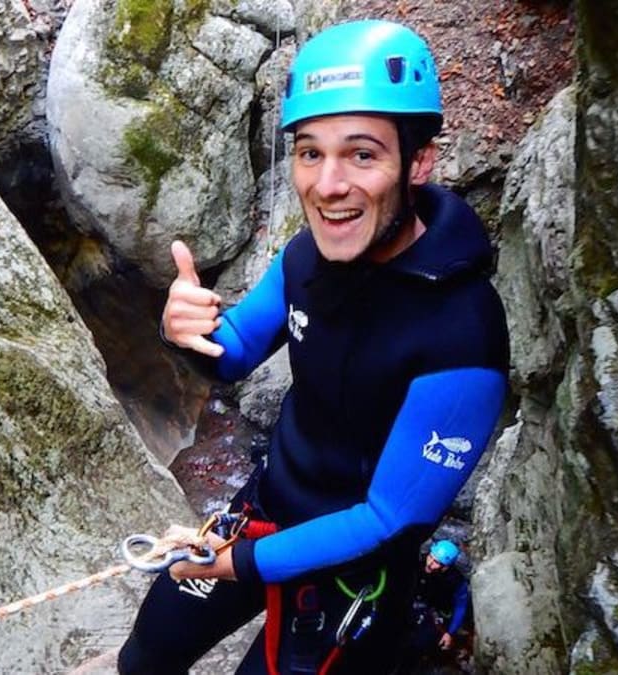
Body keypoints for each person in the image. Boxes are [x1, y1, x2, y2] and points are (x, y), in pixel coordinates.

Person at [118, 18, 509, 675]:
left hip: (352, 574)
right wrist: (186, 329)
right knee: (147, 652)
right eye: (309, 152)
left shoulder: (462, 335)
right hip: (266, 507)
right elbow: (237, 349)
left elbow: (388, 519)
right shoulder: (306, 256)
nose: (328, 186)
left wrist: (242, 561)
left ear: (418, 161)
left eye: (361, 153)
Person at [400, 540, 473, 674]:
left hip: (433, 612)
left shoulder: (455, 581)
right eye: (430, 558)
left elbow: (460, 606)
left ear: (445, 567)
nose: (430, 564)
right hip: (411, 602)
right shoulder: (419, 562)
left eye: (436, 563)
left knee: (419, 643)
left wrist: (450, 632)